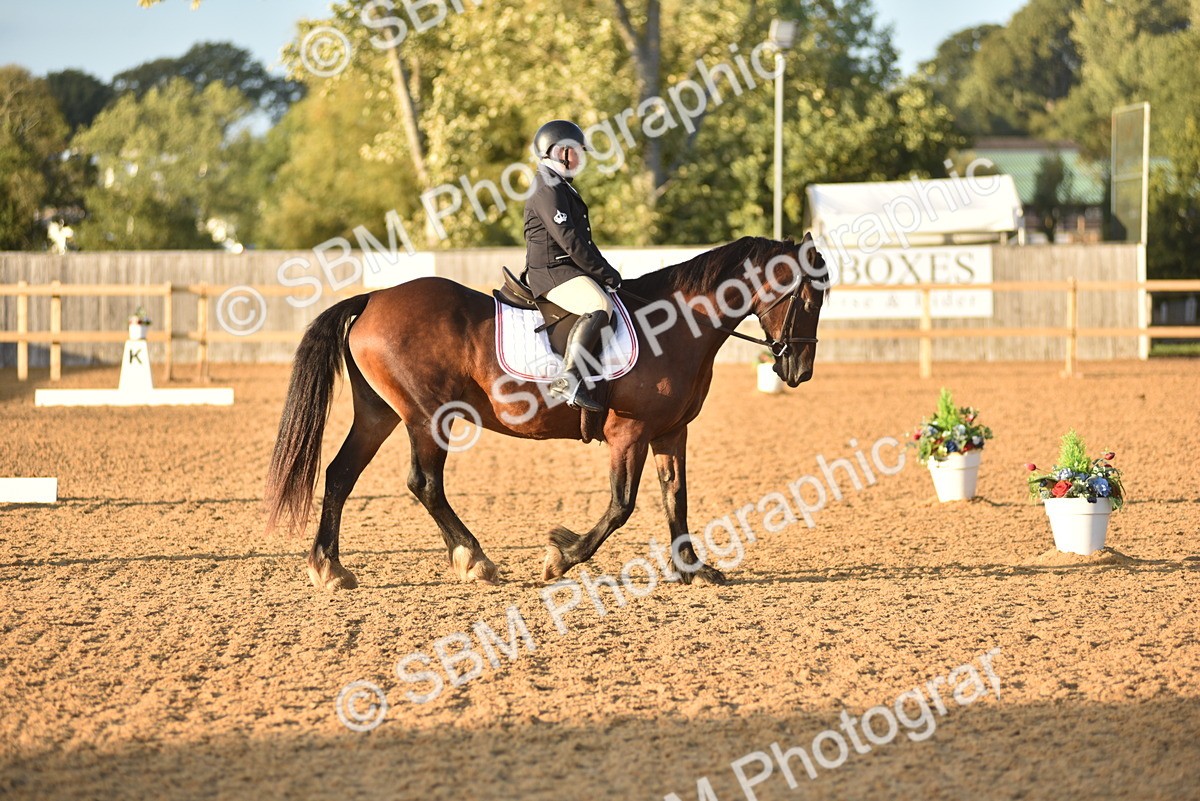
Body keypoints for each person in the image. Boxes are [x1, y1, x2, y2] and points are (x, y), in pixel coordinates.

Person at [523, 119, 622, 413]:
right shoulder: (547, 187)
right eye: (578, 151)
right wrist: (605, 274)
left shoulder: (560, 185)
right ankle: (568, 379)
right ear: (561, 152)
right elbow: (570, 241)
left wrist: (604, 270)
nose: (582, 157)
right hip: (552, 273)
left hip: (565, 269)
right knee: (599, 304)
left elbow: (582, 241)